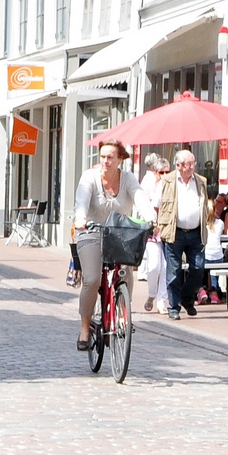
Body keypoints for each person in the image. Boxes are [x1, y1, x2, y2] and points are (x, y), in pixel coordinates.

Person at [72, 140, 148, 351]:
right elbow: (82, 200)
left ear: (120, 159)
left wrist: (152, 218)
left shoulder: (128, 179)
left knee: (125, 271)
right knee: (93, 279)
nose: (105, 161)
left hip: (119, 233)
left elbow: (140, 198)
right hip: (91, 232)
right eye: (103, 156)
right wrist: (80, 218)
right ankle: (85, 328)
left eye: (110, 157)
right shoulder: (90, 177)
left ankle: (123, 314)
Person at [155, 148, 210, 319]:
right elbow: (157, 205)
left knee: (198, 267)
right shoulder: (167, 181)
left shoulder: (201, 181)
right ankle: (174, 306)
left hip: (196, 232)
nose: (192, 167)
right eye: (188, 164)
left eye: (194, 163)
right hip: (174, 232)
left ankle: (187, 299)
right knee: (174, 271)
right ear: (178, 165)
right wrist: (160, 225)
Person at [137, 154, 169, 311]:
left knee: (166, 266)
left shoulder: (170, 185)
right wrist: (150, 222)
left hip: (167, 228)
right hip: (153, 229)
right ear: (155, 172)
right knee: (155, 266)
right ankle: (152, 294)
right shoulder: (148, 183)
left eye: (166, 172)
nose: (164, 175)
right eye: (161, 172)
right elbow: (144, 205)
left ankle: (162, 301)